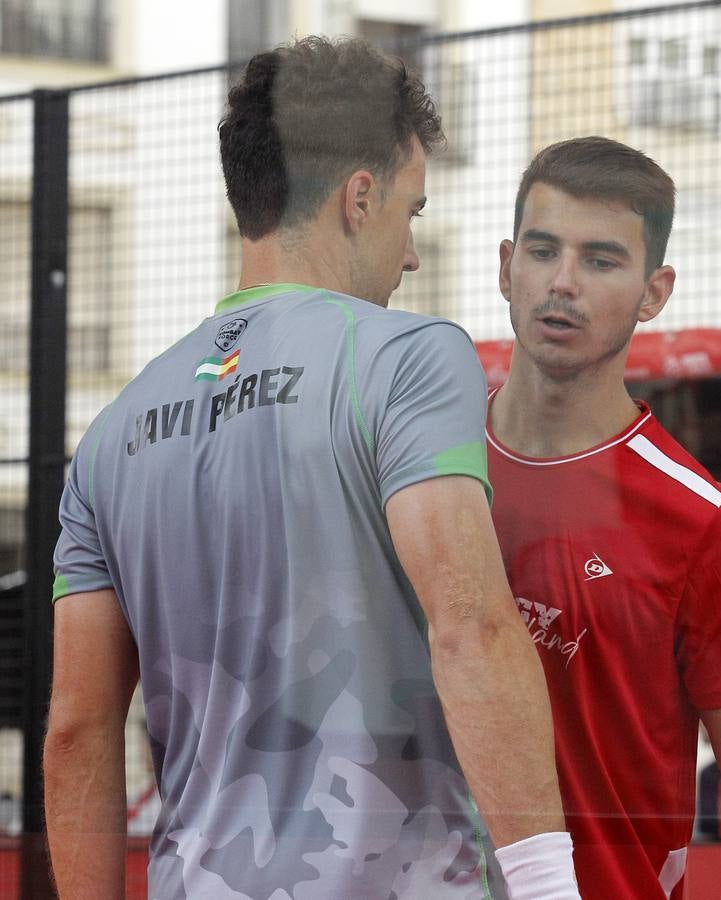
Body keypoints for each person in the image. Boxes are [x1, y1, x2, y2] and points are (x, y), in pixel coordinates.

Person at [44, 37, 578, 900]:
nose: (411, 254)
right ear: (359, 199)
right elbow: (470, 626)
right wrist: (553, 889)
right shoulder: (411, 355)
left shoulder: (112, 433)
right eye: (412, 212)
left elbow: (77, 726)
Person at [486, 136, 721, 899]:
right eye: (542, 251)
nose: (561, 284)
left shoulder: (701, 522)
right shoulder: (424, 471)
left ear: (654, 292)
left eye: (601, 261)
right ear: (507, 267)